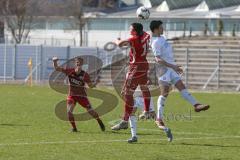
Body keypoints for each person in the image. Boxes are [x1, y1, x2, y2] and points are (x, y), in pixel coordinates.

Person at [150, 20, 210, 142]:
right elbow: (158, 59)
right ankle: (158, 118)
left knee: (182, 87)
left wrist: (175, 66)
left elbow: (167, 56)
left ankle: (196, 105)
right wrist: (173, 67)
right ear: (155, 29)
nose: (163, 29)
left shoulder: (163, 39)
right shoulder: (155, 42)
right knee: (164, 93)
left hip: (171, 69)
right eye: (161, 27)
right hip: (163, 70)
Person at [111, 23, 152, 143]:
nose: (129, 30)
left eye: (131, 28)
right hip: (144, 65)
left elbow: (120, 44)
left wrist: (116, 39)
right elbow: (144, 34)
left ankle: (125, 120)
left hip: (135, 67)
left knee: (126, 93)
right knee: (144, 87)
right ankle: (147, 110)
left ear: (134, 31)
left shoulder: (133, 39)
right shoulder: (146, 35)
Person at [52, 56, 105, 132]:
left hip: (82, 96)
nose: (78, 64)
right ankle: (74, 128)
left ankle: (99, 120)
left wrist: (95, 83)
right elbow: (57, 68)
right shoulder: (70, 71)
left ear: (82, 64)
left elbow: (90, 86)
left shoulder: (85, 75)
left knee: (91, 112)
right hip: (72, 95)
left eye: (80, 62)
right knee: (69, 112)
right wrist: (54, 62)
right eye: (77, 62)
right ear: (75, 63)